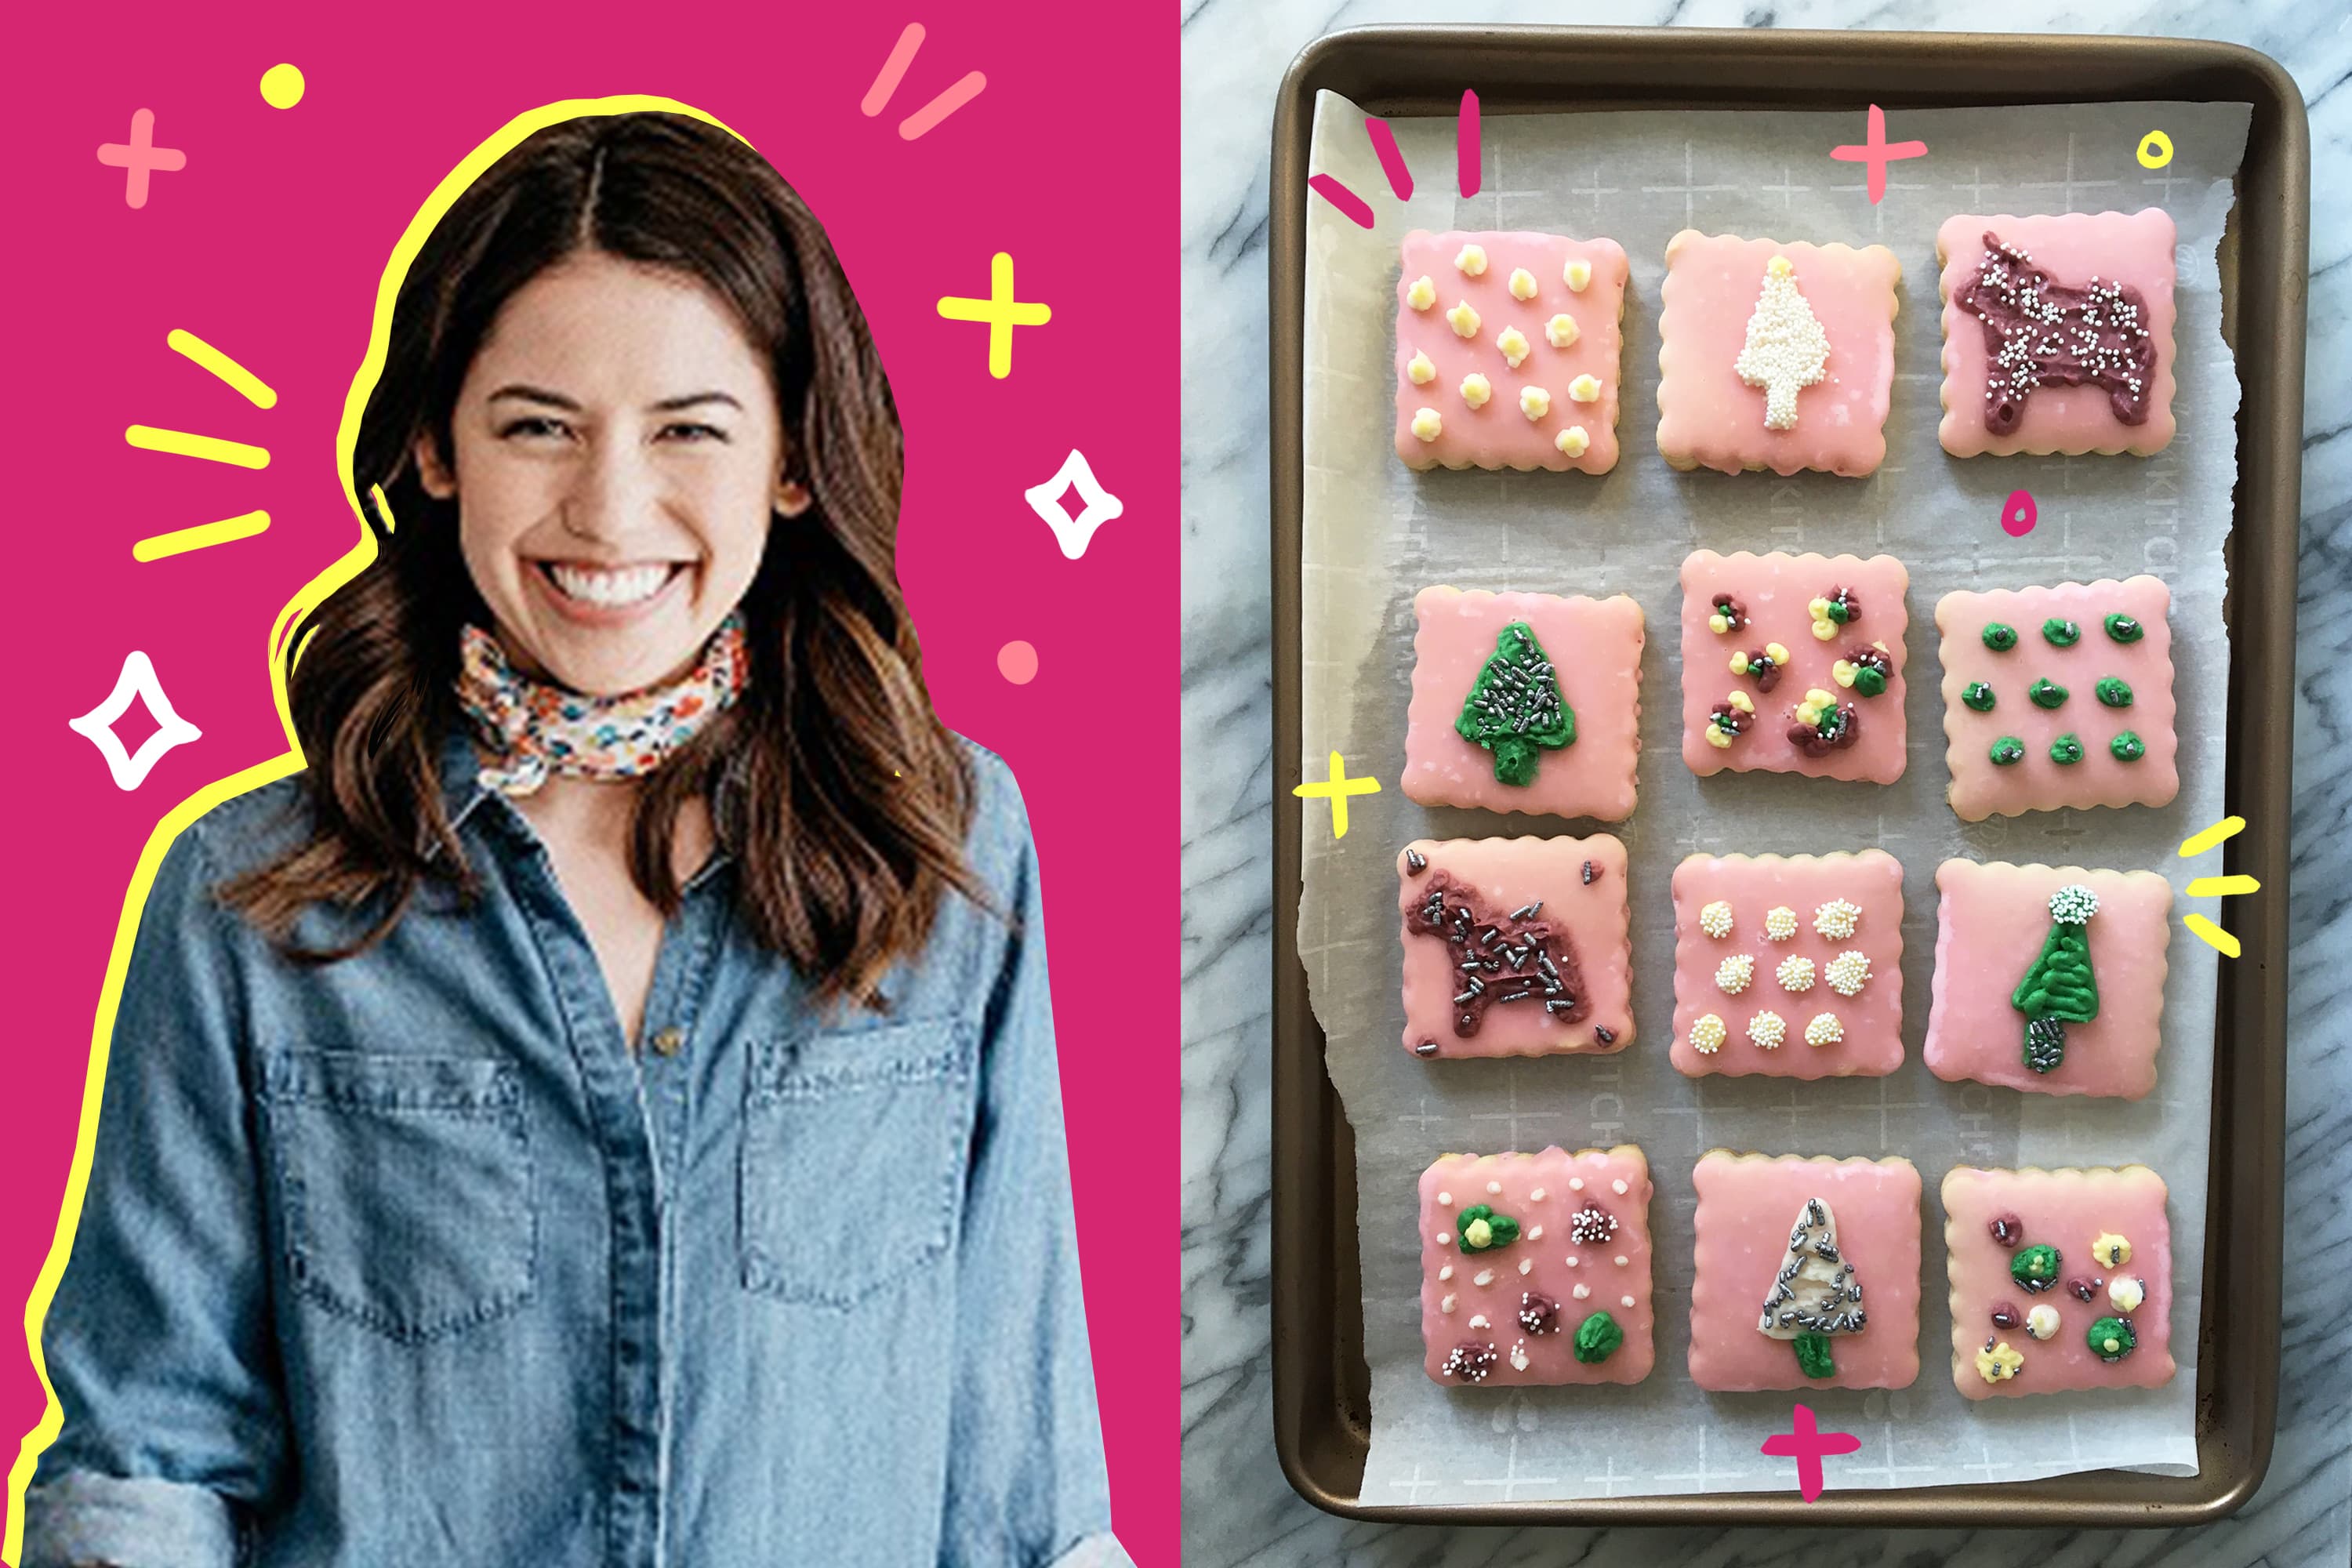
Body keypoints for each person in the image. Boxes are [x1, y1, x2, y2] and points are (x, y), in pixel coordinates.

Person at [20, 108, 1123, 1568]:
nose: (610, 509)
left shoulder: (945, 845)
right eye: (538, 425)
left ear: (794, 457)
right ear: (433, 447)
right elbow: (150, 1470)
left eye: (691, 431)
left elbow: (1018, 1482)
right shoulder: (247, 907)